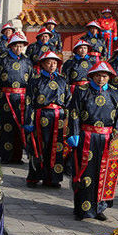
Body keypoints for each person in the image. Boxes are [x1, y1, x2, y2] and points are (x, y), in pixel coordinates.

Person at [67, 61, 118, 221]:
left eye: (105, 76)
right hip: (87, 136)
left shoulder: (115, 93)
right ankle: (82, 208)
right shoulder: (82, 91)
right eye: (98, 75)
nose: (101, 79)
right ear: (92, 76)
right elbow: (74, 113)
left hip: (107, 138)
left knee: (104, 172)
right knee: (85, 172)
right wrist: (74, 133)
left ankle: (100, 207)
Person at [24, 51, 70, 188]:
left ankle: (53, 179)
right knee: (38, 147)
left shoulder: (62, 80)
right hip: (41, 116)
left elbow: (68, 101)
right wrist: (28, 121)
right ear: (43, 64)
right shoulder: (35, 80)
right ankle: (34, 177)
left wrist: (68, 120)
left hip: (59, 118)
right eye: (49, 62)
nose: (52, 65)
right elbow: (29, 102)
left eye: (55, 63)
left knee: (57, 148)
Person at [0, 33, 32, 164]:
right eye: (16, 46)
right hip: (6, 97)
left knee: (19, 127)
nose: (18, 49)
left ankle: (17, 156)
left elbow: (31, 80)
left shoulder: (27, 60)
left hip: (22, 98)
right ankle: (5, 155)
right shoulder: (2, 60)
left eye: (21, 46)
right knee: (6, 126)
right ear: (11, 46)